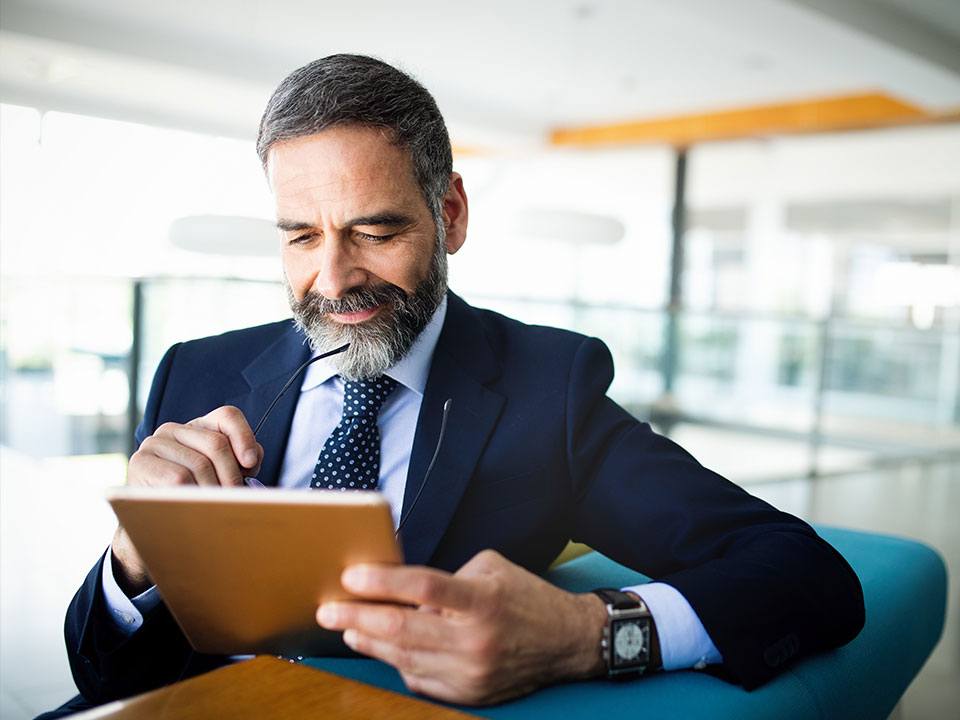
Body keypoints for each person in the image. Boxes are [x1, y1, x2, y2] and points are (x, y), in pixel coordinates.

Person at [55, 54, 864, 713]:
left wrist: (588, 635)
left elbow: (805, 574)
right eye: (301, 236)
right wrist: (134, 563)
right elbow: (103, 672)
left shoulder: (551, 390)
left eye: (375, 230)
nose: (332, 278)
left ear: (452, 214)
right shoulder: (191, 371)